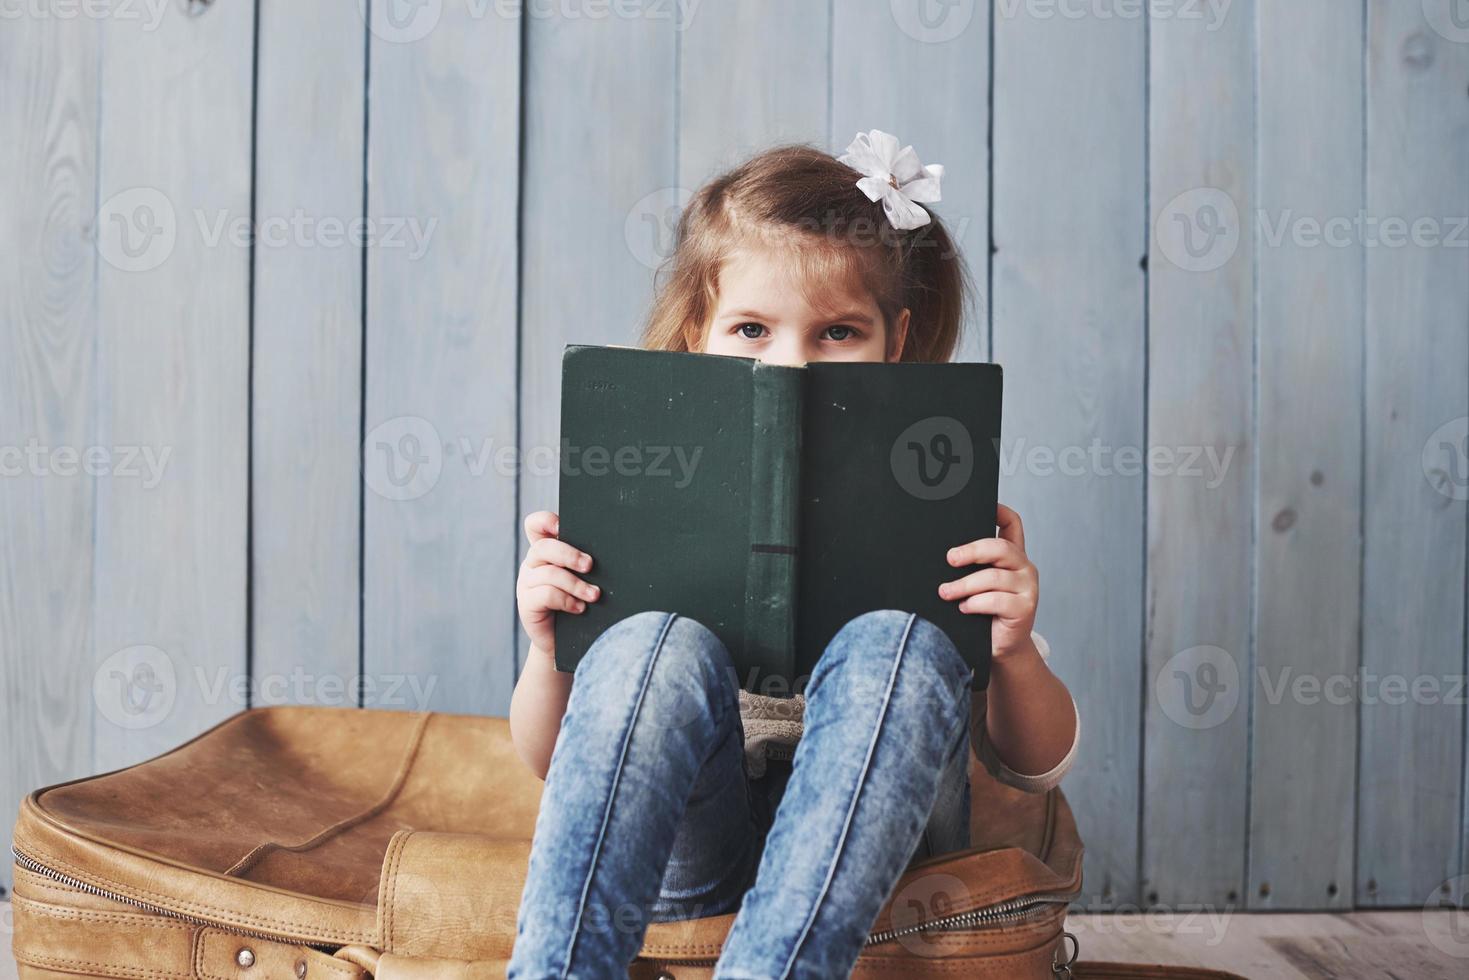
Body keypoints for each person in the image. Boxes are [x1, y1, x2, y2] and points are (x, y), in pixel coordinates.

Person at [507, 131, 1079, 979]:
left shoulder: (937, 502)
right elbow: (555, 764)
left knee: (901, 643)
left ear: (896, 337)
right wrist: (552, 653)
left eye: (837, 331)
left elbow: (1035, 768)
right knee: (650, 642)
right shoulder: (639, 485)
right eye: (749, 328)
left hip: (885, 869)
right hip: (691, 857)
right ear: (697, 332)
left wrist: (1014, 650)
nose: (790, 362)